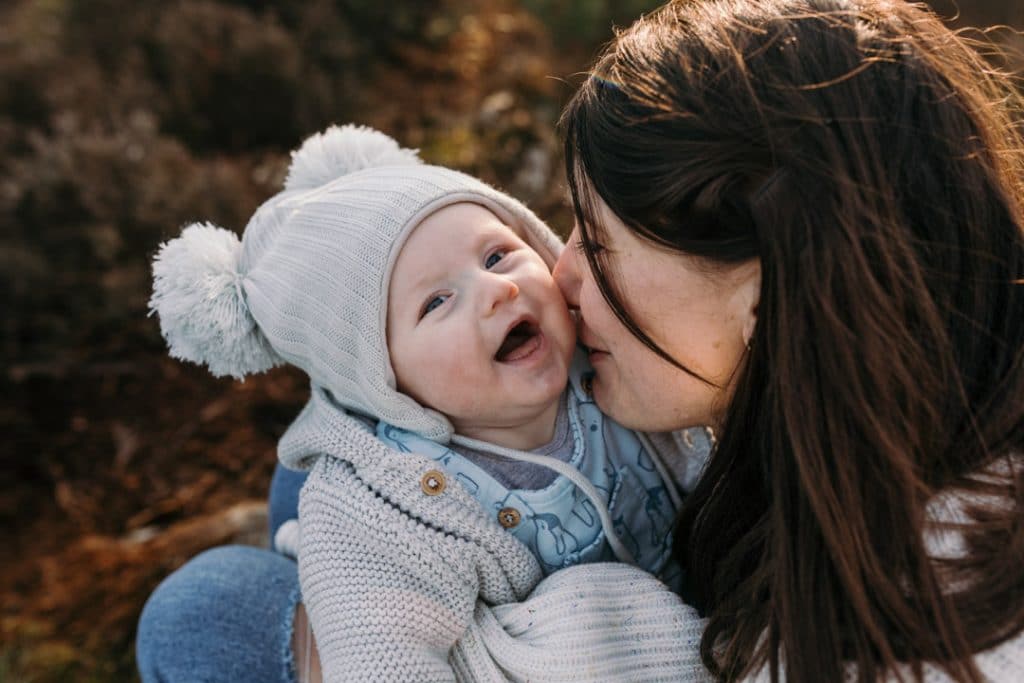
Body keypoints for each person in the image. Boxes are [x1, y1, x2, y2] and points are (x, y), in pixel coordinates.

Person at [137, 0, 1024, 681]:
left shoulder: (884, 631)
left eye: (597, 244)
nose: (557, 276)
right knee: (308, 485)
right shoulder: (893, 392)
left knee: (201, 609)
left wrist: (565, 620)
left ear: (771, 293)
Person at [142, 123, 712, 682]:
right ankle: (308, 564)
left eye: (496, 257)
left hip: (667, 616)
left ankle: (290, 548)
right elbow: (384, 661)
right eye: (437, 302)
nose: (496, 290)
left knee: (278, 504)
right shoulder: (380, 507)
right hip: (441, 596)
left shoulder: (610, 360)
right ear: (383, 381)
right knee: (304, 515)